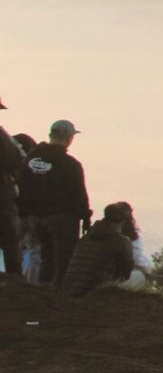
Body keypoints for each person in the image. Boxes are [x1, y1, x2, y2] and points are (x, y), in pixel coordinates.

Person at [19, 119, 91, 287]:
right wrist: (85, 217)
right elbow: (79, 194)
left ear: (51, 135)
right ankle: (58, 293)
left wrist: (24, 213)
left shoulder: (30, 159)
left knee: (45, 258)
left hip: (34, 219)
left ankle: (41, 291)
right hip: (62, 219)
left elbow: (22, 185)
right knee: (64, 260)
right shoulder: (70, 164)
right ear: (69, 139)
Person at [61, 202, 134, 296]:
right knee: (139, 275)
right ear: (123, 220)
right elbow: (124, 275)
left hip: (69, 289)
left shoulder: (85, 238)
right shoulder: (122, 241)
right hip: (94, 292)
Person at [11, 133, 41, 282]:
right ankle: (29, 284)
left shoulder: (9, 169)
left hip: (13, 215)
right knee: (34, 251)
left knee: (16, 250)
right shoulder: (31, 170)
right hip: (28, 215)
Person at [0, 105, 25, 277]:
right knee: (11, 240)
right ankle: (14, 280)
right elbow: (16, 158)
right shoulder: (2, 136)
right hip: (3, 195)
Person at [112, 201, 151, 291]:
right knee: (140, 275)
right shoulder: (126, 239)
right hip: (111, 279)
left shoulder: (92, 235)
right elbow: (136, 261)